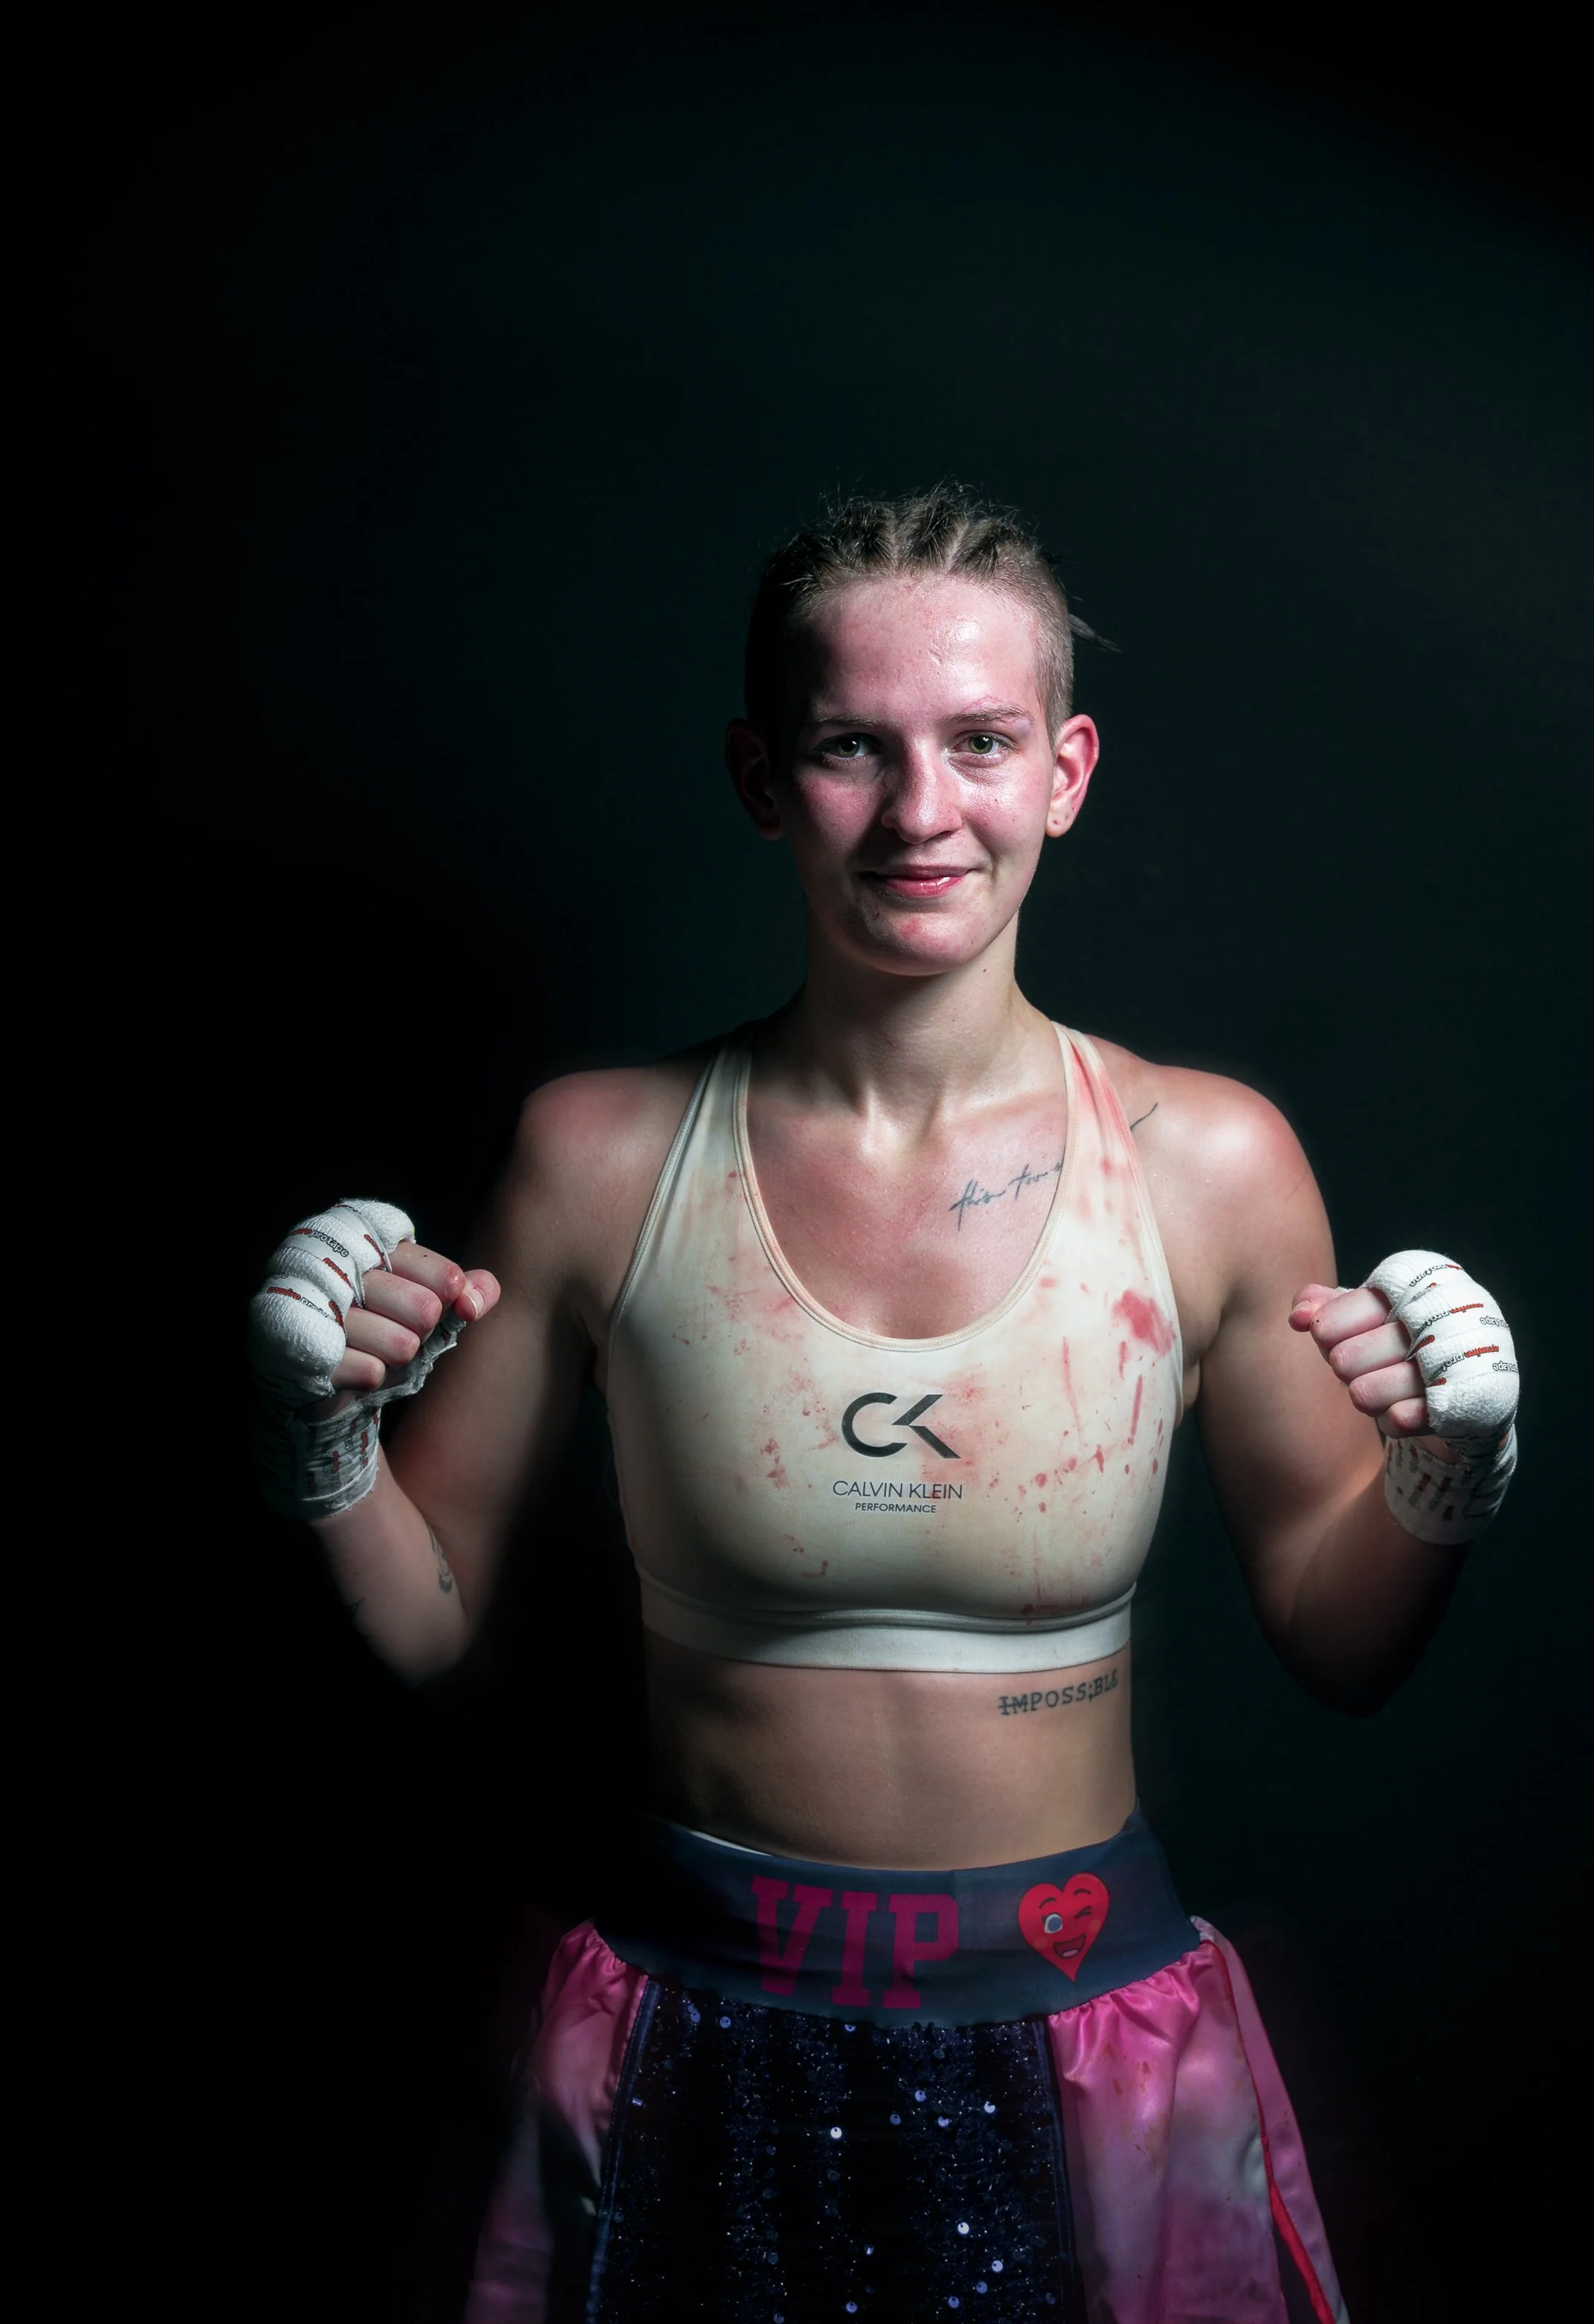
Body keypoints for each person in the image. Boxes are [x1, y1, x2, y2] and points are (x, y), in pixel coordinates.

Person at [248, 487, 1518, 2324]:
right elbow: (437, 1617)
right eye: (856, 745)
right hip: (685, 2033)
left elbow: (1339, 1638)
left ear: (1065, 768)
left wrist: (1443, 1474)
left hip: (1087, 2032)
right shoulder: (598, 1154)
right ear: (765, 777)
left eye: (981, 742)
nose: (924, 813)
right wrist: (317, 1443)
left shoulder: (1210, 1157)